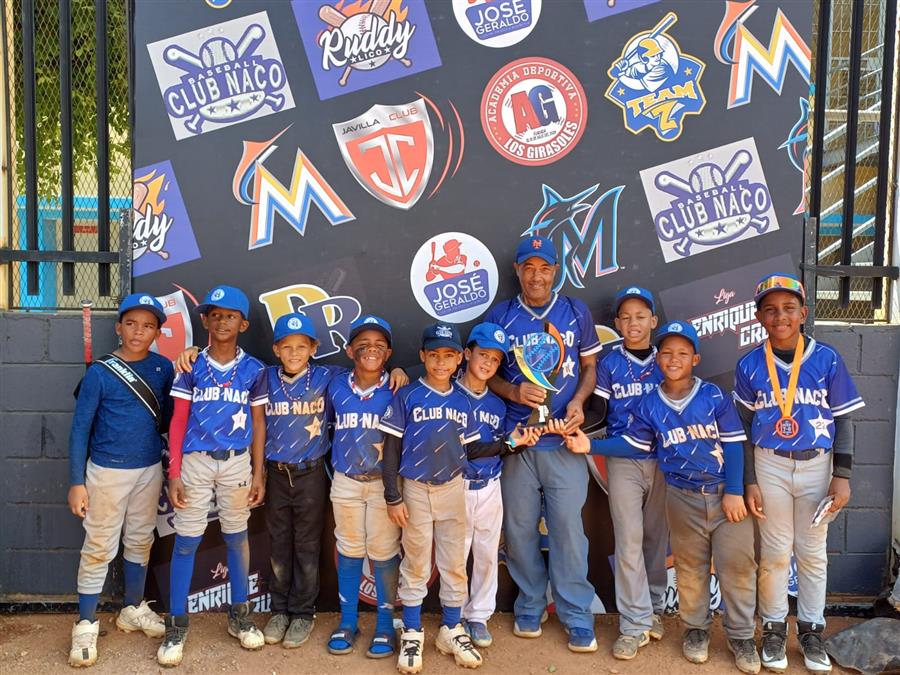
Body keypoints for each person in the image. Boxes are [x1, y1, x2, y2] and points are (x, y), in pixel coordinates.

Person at [565, 321, 760, 674]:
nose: (673, 359)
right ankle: (696, 631)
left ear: (695, 358)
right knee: (689, 571)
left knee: (736, 567)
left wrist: (734, 490)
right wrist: (590, 444)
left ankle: (742, 636)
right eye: (666, 352)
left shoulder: (713, 395)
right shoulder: (650, 402)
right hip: (681, 494)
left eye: (682, 353)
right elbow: (636, 444)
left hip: (721, 493)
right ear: (657, 360)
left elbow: (733, 444)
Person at [380, 323, 538, 674]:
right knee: (417, 562)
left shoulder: (462, 399)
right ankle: (412, 630)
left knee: (453, 562)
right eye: (433, 355)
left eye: (447, 356)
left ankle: (451, 628)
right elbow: (390, 449)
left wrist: (511, 443)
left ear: (458, 360)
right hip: (416, 488)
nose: (440, 362)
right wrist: (393, 496)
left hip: (454, 486)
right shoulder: (407, 396)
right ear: (423, 357)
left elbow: (473, 448)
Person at [734, 274, 865, 674]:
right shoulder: (750, 363)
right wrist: (749, 480)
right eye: (770, 310)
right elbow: (741, 429)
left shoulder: (826, 358)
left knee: (811, 554)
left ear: (804, 313)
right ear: (758, 317)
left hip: (817, 465)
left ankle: (811, 630)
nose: (780, 316)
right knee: (774, 554)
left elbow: (844, 420)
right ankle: (774, 629)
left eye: (789, 308)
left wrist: (841, 474)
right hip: (769, 462)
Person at [483, 235, 602, 652]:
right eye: (528, 267)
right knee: (518, 530)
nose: (536, 275)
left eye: (545, 267)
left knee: (570, 531)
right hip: (518, 441)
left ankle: (575, 613)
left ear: (556, 271)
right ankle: (530, 603)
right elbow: (485, 373)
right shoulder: (501, 315)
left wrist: (579, 400)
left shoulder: (573, 311)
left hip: (562, 440)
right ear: (517, 270)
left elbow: (589, 365)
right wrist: (513, 394)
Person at [157, 285, 268, 667]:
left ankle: (239, 615)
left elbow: (258, 423)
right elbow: (177, 422)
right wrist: (173, 472)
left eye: (230, 315)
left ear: (243, 323)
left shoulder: (254, 369)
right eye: (215, 314)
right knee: (187, 541)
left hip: (237, 461)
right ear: (204, 320)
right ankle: (177, 623)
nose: (222, 321)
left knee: (237, 538)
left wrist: (259, 471)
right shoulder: (191, 365)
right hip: (195, 461)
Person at [67, 293, 174, 667]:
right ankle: (85, 622)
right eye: (131, 323)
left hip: (148, 468)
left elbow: (170, 419)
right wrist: (76, 481)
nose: (138, 331)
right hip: (107, 471)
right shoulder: (100, 372)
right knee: (98, 545)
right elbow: (80, 428)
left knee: (141, 539)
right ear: (118, 327)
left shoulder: (163, 369)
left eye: (147, 326)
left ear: (158, 332)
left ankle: (131, 608)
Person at [590, 287, 667, 660]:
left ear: (653, 320)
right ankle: (633, 623)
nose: (633, 323)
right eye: (626, 316)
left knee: (655, 537)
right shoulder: (609, 362)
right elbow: (599, 413)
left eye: (641, 316)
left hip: (665, 460)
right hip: (623, 460)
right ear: (617, 323)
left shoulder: (669, 357)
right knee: (629, 540)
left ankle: (653, 608)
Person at [326, 315, 404, 659]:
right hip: (345, 481)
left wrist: (400, 372)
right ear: (349, 350)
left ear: (388, 353)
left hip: (383, 484)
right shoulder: (334, 383)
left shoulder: (400, 387)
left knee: (384, 552)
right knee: (350, 549)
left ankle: (385, 625)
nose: (370, 350)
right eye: (363, 344)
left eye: (378, 345)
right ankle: (348, 621)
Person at [456, 322, 512, 648]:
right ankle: (456, 614)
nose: (488, 363)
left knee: (487, 553)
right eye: (483, 354)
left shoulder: (498, 405)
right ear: (467, 353)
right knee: (456, 553)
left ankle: (478, 616)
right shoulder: (448, 393)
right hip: (457, 485)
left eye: (495, 359)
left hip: (490, 483)